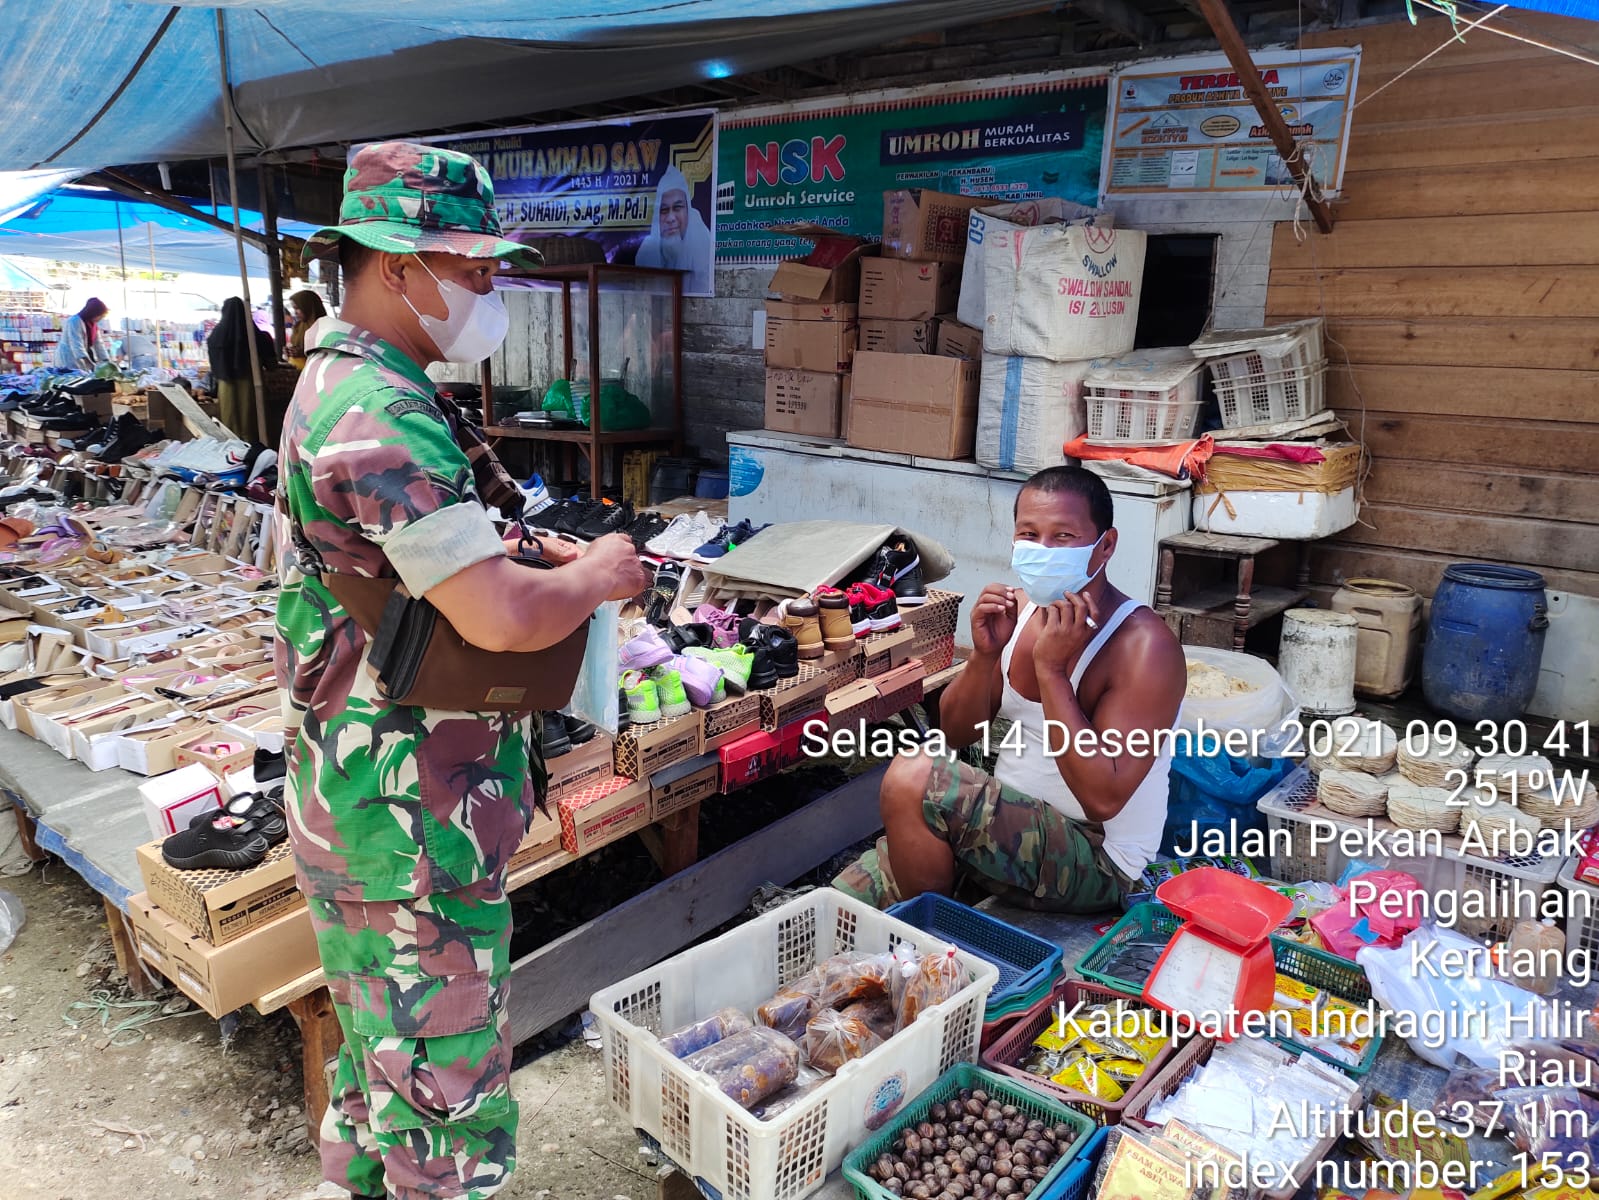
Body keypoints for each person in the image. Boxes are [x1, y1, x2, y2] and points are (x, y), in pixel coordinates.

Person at [278, 140, 650, 1200]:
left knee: (378, 1067)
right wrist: (595, 579)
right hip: (406, 818)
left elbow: (443, 564)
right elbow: (494, 612)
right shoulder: (376, 418)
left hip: (381, 796)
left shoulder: (368, 384)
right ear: (399, 265)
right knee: (444, 1104)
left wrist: (540, 560)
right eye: (474, 271)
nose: (490, 292)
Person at [834, 466, 1187, 912]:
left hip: (1096, 857)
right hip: (1005, 826)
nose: (1043, 550)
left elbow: (1103, 800)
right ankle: (925, 935)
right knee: (840, 906)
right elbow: (955, 733)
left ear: (1106, 546)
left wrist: (1052, 671)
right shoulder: (1018, 610)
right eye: (1029, 534)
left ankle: (937, 953)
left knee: (913, 779)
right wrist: (984, 656)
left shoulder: (1144, 648)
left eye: (1063, 537)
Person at [207, 297, 279, 444]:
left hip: (226, 387)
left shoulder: (215, 337)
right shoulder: (258, 336)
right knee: (252, 424)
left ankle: (233, 453)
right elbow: (272, 365)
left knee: (230, 423)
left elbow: (214, 368)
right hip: (252, 385)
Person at [634, 165, 712, 293]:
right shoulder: (647, 251)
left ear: (688, 212)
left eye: (677, 208)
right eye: (664, 210)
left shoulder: (702, 242)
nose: (670, 218)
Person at [53, 297, 108, 370]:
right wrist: (90, 364)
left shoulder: (93, 325)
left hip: (79, 359)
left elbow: (98, 344)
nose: (101, 318)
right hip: (68, 357)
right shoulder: (74, 321)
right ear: (94, 313)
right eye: (100, 316)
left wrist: (106, 360)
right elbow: (76, 344)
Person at [287, 288, 329, 369]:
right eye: (294, 309)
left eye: (297, 308)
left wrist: (304, 353)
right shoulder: (298, 326)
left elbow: (328, 354)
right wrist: (289, 351)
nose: (295, 312)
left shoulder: (325, 328)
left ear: (307, 307)